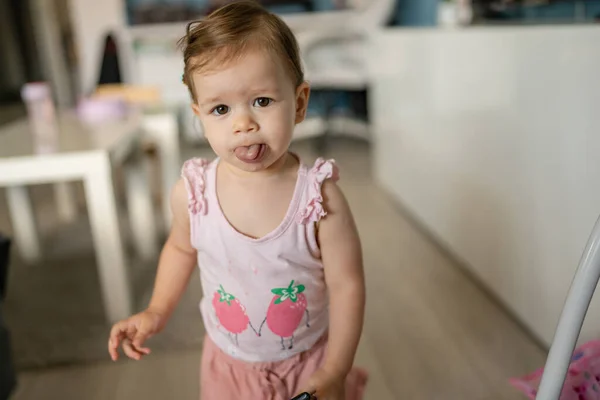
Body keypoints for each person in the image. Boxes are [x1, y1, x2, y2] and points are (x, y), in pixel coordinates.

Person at [107, 2, 367, 399]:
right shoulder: (194, 194)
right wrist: (156, 311)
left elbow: (347, 285)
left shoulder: (319, 198)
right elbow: (180, 249)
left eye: (262, 101)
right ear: (200, 116)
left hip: (309, 362)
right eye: (221, 109)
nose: (243, 124)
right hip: (227, 365)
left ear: (299, 103)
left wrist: (336, 369)